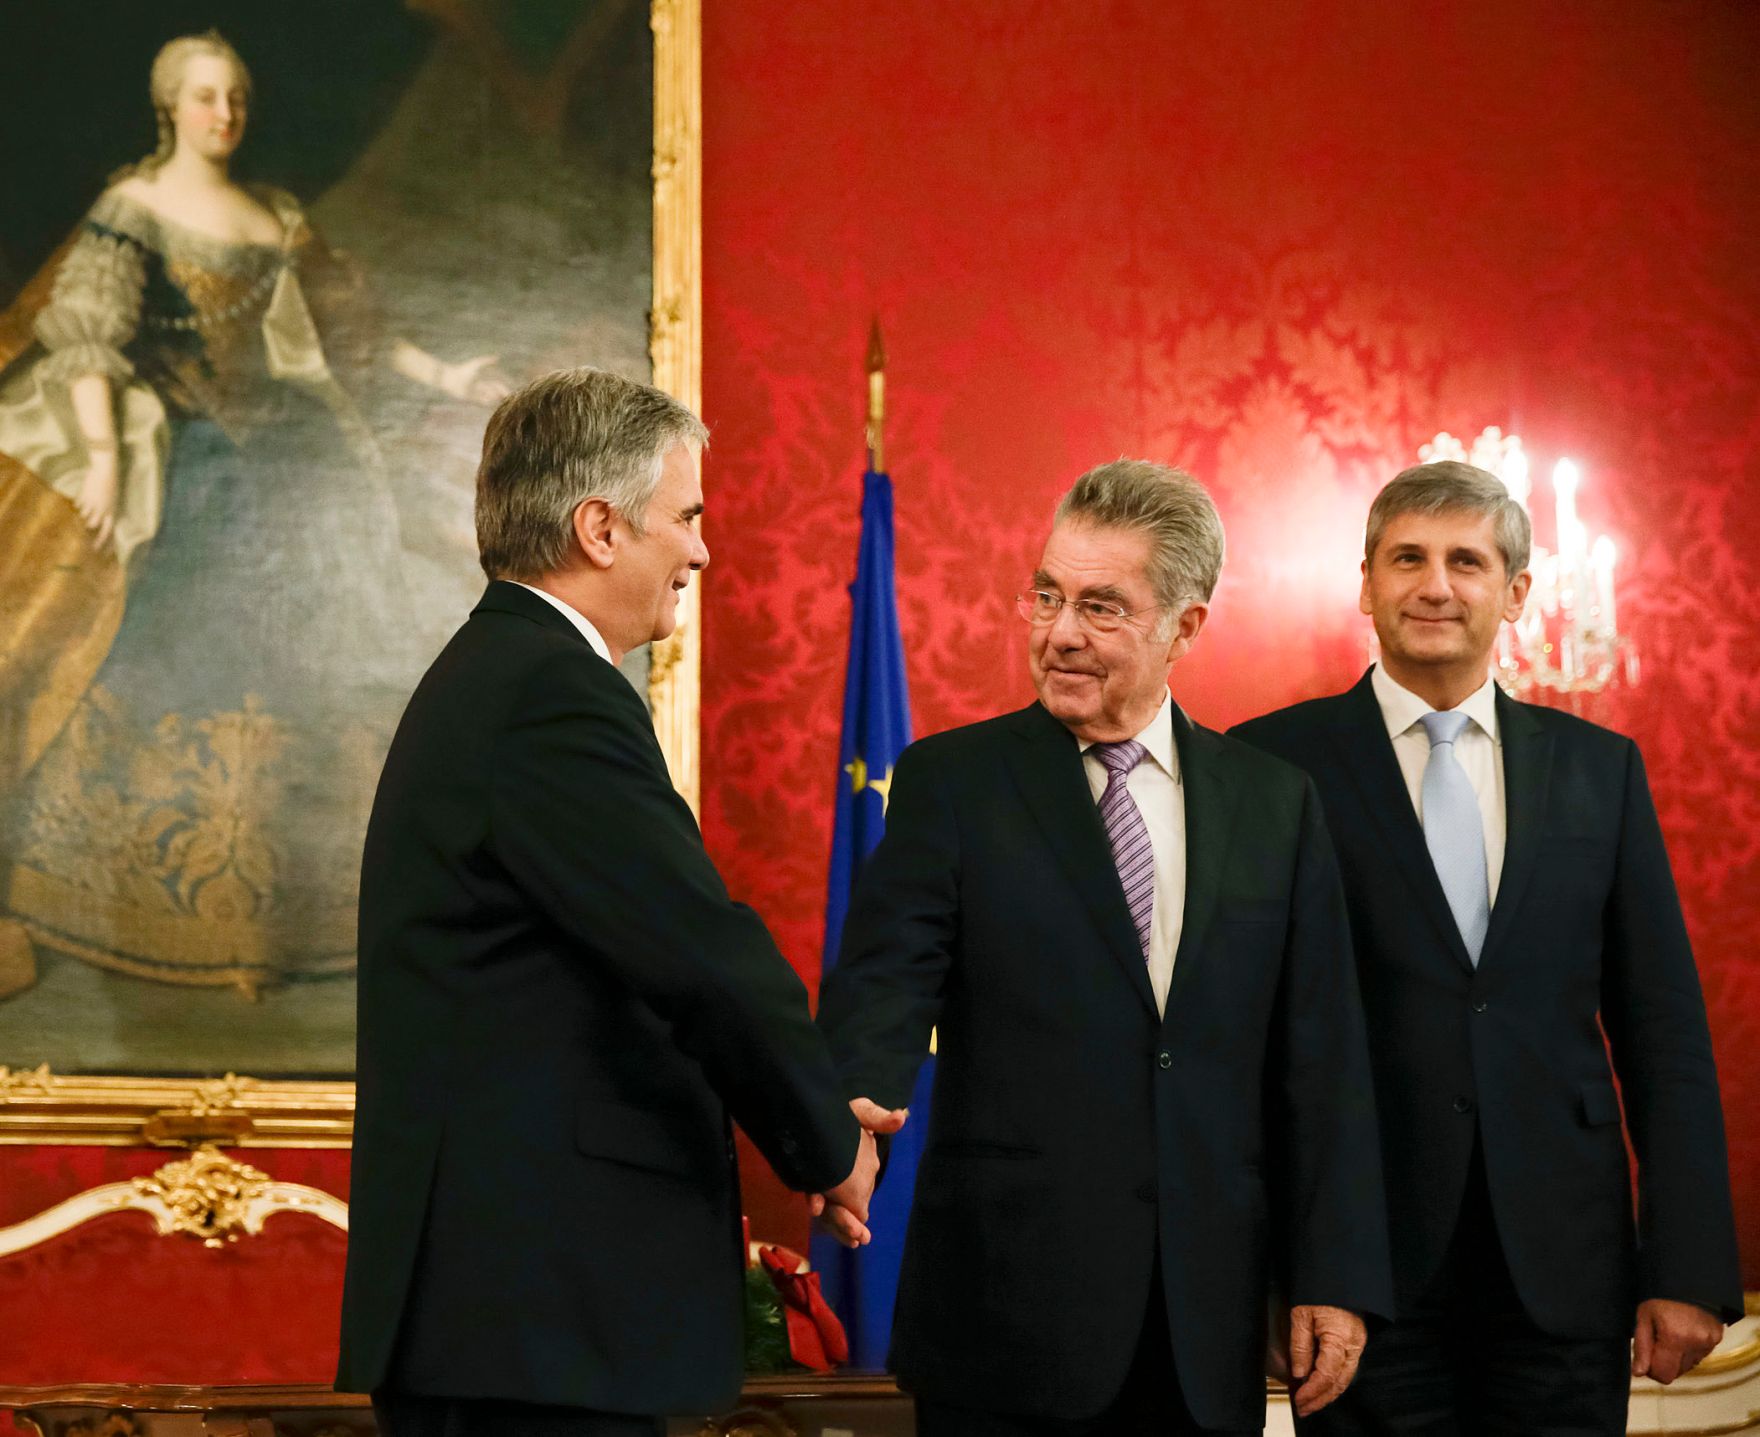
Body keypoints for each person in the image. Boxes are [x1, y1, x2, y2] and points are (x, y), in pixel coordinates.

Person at [337, 368, 890, 1437]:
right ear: (599, 527)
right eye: (685, 516)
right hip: (537, 1325)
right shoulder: (547, 691)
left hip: (520, 1319)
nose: (701, 549)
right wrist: (827, 1140)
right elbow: (698, 953)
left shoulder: (502, 674)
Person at [816, 460, 1393, 1436]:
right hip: (1005, 1321)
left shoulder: (1272, 803)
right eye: (1045, 596)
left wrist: (1331, 1275)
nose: (1060, 633)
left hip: (1200, 1330)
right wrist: (851, 1113)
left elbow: (1321, 1060)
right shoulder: (952, 784)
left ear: (1186, 626)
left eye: (1101, 606)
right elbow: (883, 977)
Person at [1231, 461, 1743, 1435]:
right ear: (1365, 582)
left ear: (1513, 592)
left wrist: (1685, 1269)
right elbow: (1237, 1039)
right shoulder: (1266, 764)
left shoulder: (1598, 770)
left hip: (1563, 1273)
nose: (1433, 584)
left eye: (1464, 560)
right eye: (1405, 558)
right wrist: (1266, 1274)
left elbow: (1661, 1030)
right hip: (1355, 1273)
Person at [0, 31, 504, 999]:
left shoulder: (274, 215)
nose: (222, 113)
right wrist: (103, 463)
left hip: (287, 446)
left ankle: (295, 904)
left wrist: (446, 374)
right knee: (172, 618)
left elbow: (353, 334)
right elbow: (92, 343)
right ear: (169, 108)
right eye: (202, 97)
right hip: (183, 444)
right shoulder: (133, 206)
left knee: (329, 615)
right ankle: (125, 890)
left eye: (233, 97)